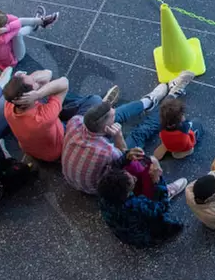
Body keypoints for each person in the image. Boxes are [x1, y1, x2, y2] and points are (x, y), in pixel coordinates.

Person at [61, 70, 193, 194]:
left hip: (71, 179)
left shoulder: (75, 121)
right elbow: (125, 156)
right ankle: (170, 97)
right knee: (139, 133)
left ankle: (148, 101)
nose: (114, 109)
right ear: (107, 129)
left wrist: (111, 118)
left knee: (115, 115)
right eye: (112, 113)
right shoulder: (107, 151)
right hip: (94, 188)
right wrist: (118, 137)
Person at [3, 71, 109, 163]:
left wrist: (35, 85)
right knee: (95, 100)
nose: (34, 79)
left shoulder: (9, 105)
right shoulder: (43, 118)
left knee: (51, 87)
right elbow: (64, 82)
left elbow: (47, 73)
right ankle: (101, 113)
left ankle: (64, 103)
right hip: (58, 147)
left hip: (36, 145)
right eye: (34, 82)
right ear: (27, 97)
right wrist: (39, 94)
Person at [97, 165, 184, 247]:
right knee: (160, 212)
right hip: (144, 237)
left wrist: (126, 156)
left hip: (122, 231)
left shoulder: (104, 198)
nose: (135, 178)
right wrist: (159, 183)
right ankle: (168, 192)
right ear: (126, 194)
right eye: (132, 182)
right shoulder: (135, 206)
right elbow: (161, 208)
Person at [0, 8, 59, 76]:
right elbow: (18, 24)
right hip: (13, 59)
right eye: (4, 25)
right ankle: (38, 24)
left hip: (7, 51)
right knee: (18, 34)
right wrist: (7, 28)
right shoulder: (1, 40)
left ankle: (41, 21)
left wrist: (5, 26)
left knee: (18, 24)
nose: (6, 25)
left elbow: (14, 19)